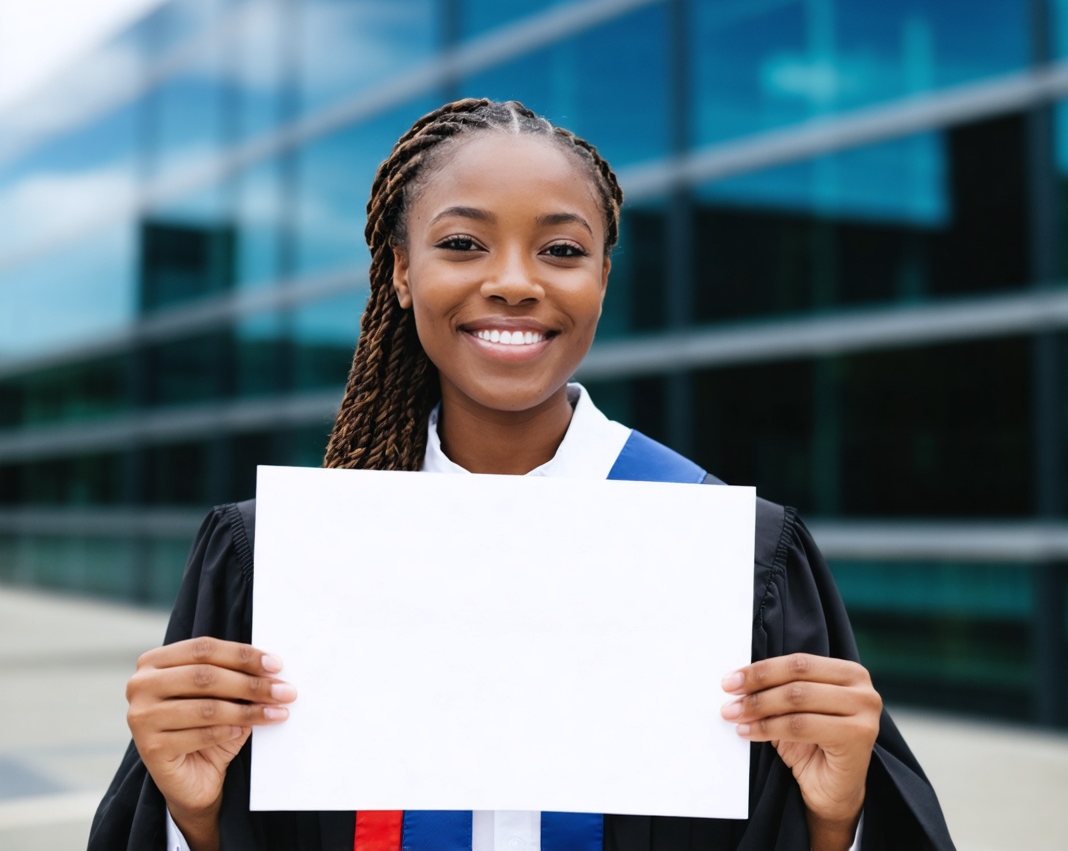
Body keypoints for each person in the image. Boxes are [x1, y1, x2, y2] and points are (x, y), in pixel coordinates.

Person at [89, 99, 955, 851]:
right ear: (398, 271)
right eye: (462, 242)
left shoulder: (732, 557)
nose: (512, 283)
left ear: (604, 281)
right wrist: (192, 815)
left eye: (562, 252)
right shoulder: (282, 562)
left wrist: (840, 817)